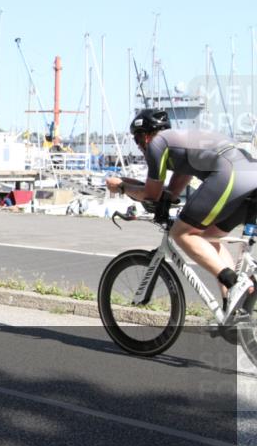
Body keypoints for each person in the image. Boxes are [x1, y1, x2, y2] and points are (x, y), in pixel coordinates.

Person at [106, 109, 257, 315]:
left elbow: (151, 194)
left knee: (181, 233)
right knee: (206, 237)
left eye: (137, 139)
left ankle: (235, 283)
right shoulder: (179, 144)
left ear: (146, 135)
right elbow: (171, 193)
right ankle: (232, 309)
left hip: (230, 175)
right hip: (250, 175)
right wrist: (140, 189)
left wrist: (122, 187)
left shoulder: (157, 145)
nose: (139, 146)